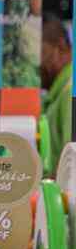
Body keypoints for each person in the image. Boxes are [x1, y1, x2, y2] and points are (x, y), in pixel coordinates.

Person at [41, 14, 72, 177]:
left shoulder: (70, 91)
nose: (34, 63)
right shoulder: (59, 94)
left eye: (39, 52)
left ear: (59, 47)